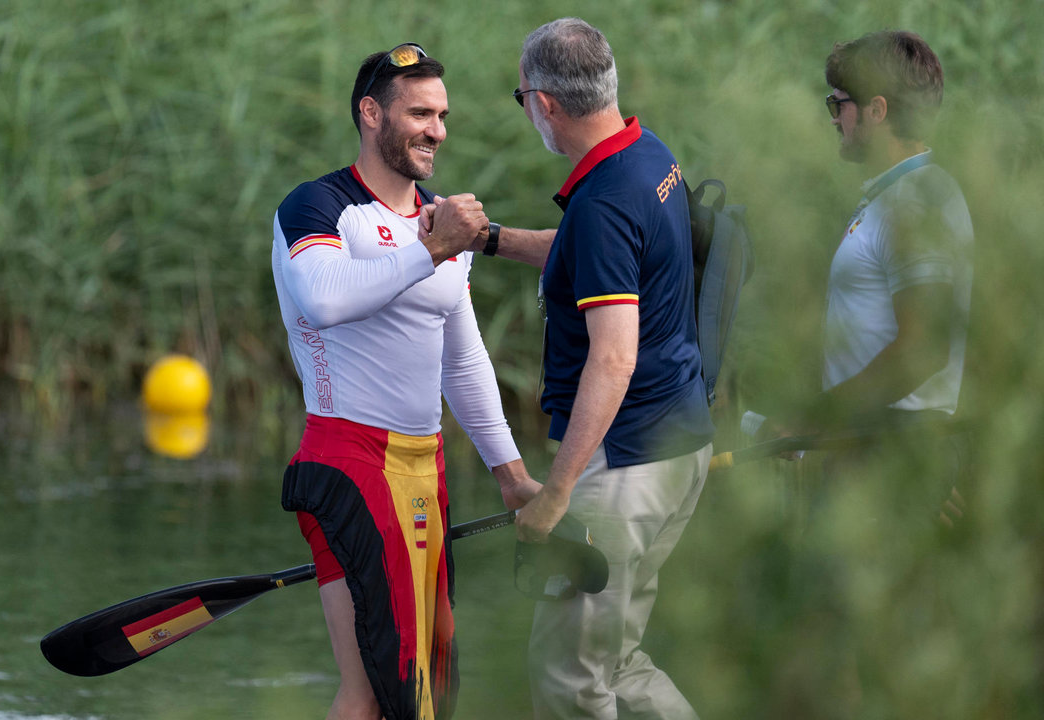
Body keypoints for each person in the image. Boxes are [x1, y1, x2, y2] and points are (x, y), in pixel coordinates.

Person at [423, 17, 715, 719]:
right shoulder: (646, 158)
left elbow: (614, 357)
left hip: (624, 470)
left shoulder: (605, 199)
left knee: (568, 681)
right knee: (618, 663)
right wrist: (489, 240)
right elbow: (591, 248)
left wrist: (555, 495)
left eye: (521, 97)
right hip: (679, 449)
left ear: (544, 104)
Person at [271, 43, 540, 720]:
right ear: (370, 113)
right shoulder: (318, 207)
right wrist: (432, 248)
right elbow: (323, 299)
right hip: (347, 460)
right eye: (419, 112)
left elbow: (464, 359)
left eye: (442, 114)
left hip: (426, 470)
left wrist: (510, 476)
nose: (438, 130)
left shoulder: (439, 215)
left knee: (401, 692)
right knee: (409, 695)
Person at [768, 31, 973, 517]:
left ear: (877, 110)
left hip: (892, 453)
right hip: (871, 449)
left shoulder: (919, 197)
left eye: (840, 104)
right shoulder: (894, 194)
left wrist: (813, 420)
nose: (835, 118)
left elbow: (923, 348)